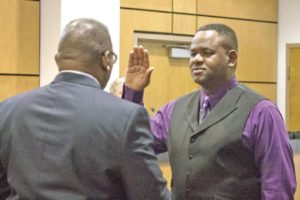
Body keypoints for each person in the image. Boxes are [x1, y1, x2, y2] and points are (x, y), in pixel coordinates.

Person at [0, 18, 171, 200]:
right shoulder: (126, 117)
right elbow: (151, 195)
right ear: (107, 59)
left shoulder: (8, 110)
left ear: (58, 60)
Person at [123, 23, 296, 199]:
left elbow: (278, 186)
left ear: (231, 58)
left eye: (207, 53)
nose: (196, 59)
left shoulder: (261, 112)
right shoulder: (174, 109)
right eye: (192, 54)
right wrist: (133, 93)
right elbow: (136, 144)